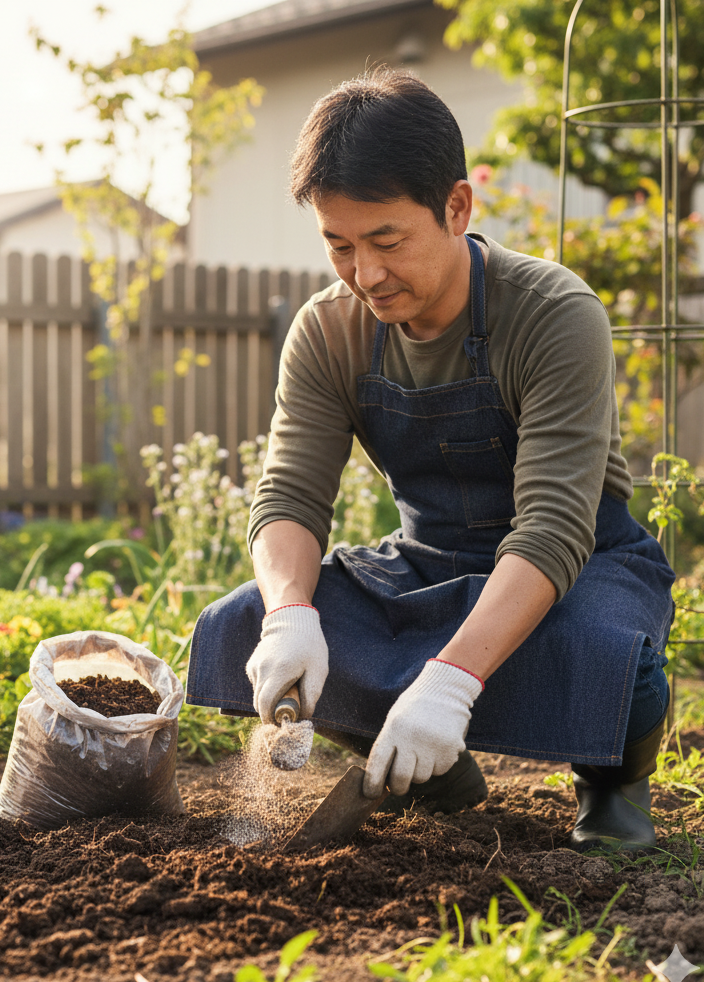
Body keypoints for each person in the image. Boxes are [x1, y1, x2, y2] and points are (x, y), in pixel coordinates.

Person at [185, 69, 675, 853]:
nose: (365, 274)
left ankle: (611, 783)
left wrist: (450, 682)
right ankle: (431, 772)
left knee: (608, 653)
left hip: (578, 564)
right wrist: (291, 615)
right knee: (243, 618)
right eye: (338, 246)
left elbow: (552, 527)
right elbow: (288, 496)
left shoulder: (554, 314)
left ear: (456, 206)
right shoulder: (327, 331)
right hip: (428, 563)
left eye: (386, 241)